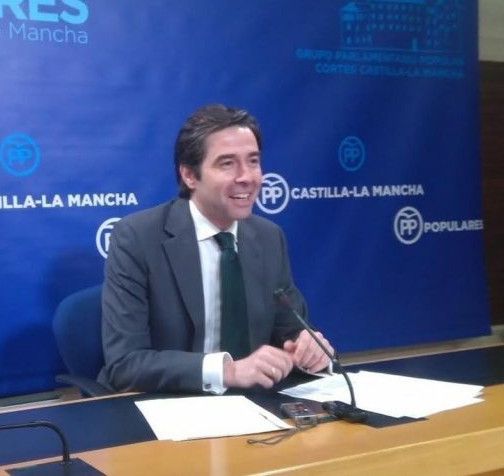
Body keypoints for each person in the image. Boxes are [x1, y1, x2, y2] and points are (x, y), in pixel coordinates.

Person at [99, 104, 334, 393]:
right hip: (170, 404)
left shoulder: (269, 237)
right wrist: (226, 371)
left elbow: (291, 329)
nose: (246, 176)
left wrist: (308, 347)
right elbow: (125, 363)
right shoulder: (137, 238)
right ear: (189, 175)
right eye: (227, 164)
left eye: (253, 161)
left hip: (255, 404)